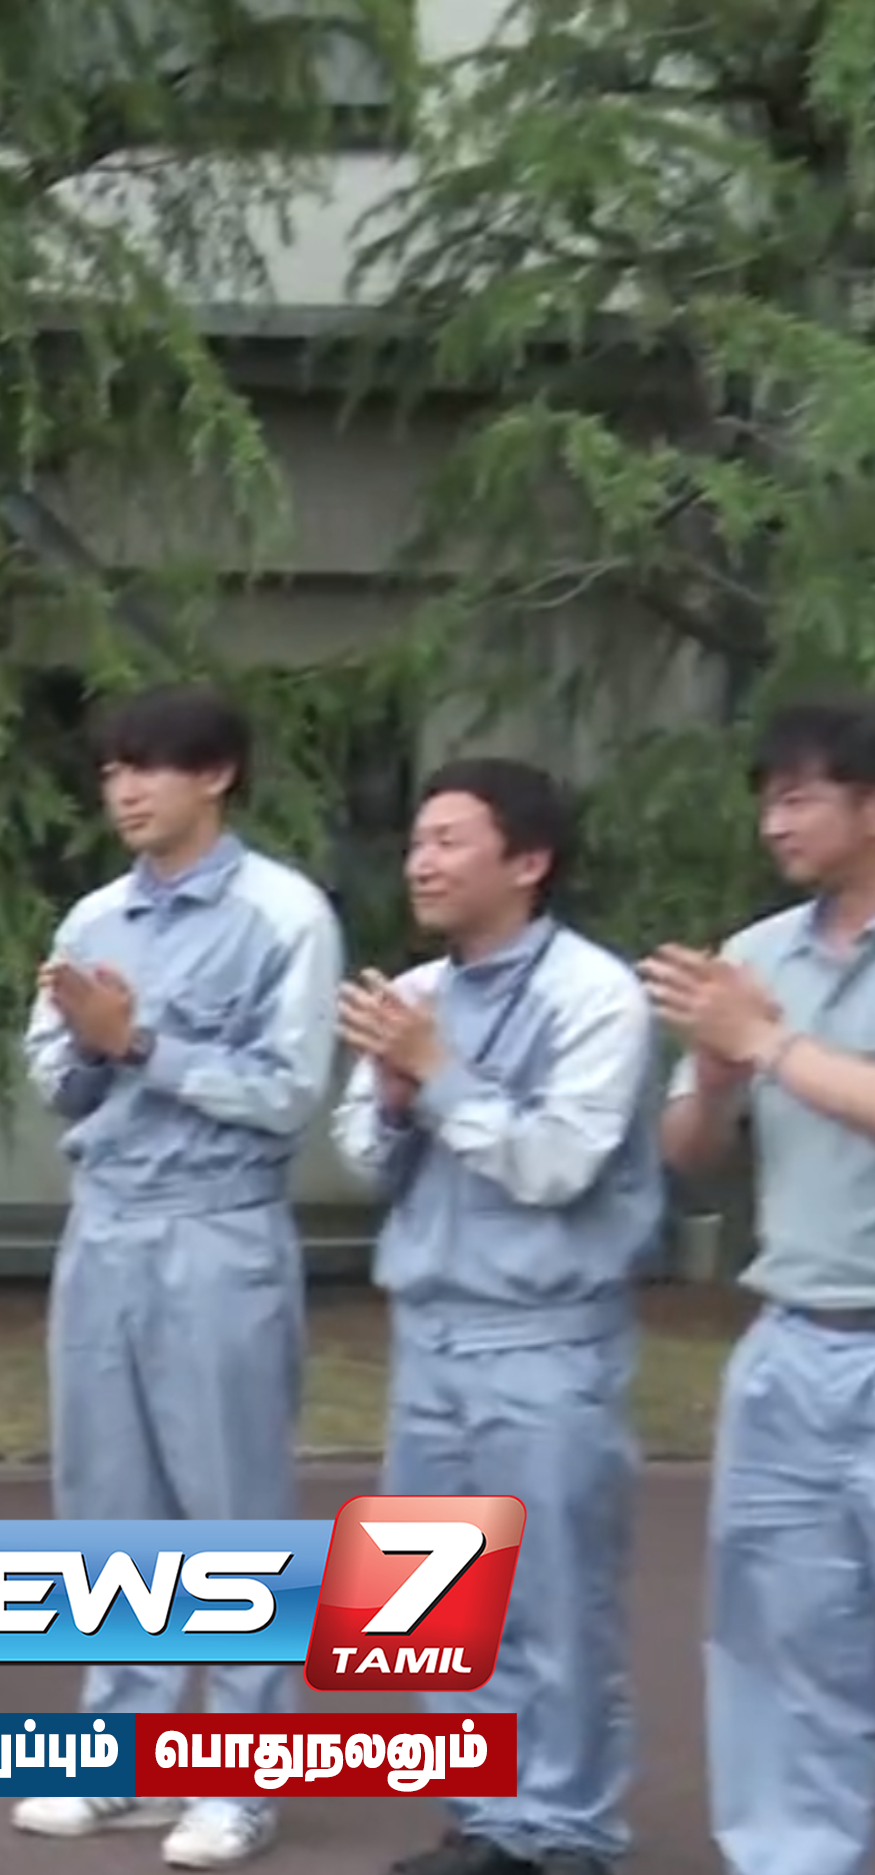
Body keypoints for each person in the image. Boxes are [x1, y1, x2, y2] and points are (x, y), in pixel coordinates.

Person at [11, 684, 342, 1869]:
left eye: (148, 767)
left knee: (228, 1508)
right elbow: (53, 1073)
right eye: (111, 771)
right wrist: (87, 1046)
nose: (124, 791)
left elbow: (288, 1091)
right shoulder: (95, 915)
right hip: (104, 1224)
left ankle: (240, 1781)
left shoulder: (282, 914)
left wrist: (141, 1042)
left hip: (217, 1227)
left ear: (216, 775)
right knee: (105, 1502)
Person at [330, 758, 657, 1875]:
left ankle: (566, 1830)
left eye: (449, 840)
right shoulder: (414, 992)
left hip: (546, 1338)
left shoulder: (593, 994)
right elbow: (361, 1156)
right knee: (429, 1602)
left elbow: (559, 1162)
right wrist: (391, 1099)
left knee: (556, 1599)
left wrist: (438, 1074)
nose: (420, 862)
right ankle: (482, 1819)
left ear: (527, 861)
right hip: (427, 1330)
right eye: (417, 840)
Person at [645, 698, 875, 1875]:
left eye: (798, 797)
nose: (772, 823)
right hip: (790, 1339)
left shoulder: (758, 1002)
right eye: (765, 800)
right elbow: (685, 1155)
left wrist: (769, 1045)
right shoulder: (757, 956)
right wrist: (712, 1074)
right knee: (779, 1633)